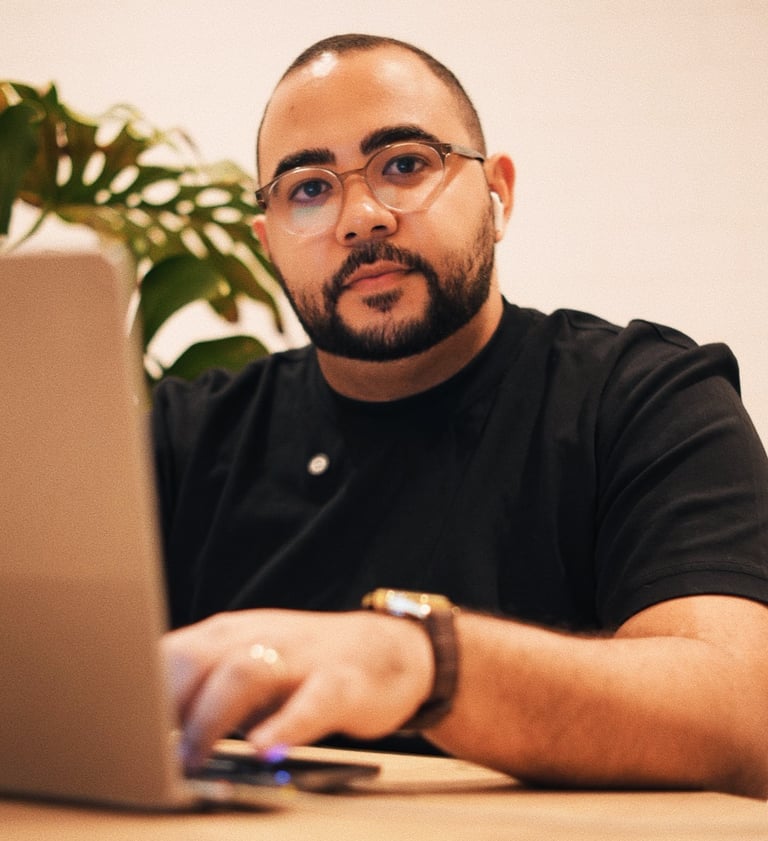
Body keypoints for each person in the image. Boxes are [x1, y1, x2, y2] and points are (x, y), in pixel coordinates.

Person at [154, 34, 768, 797]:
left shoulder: (646, 398)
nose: (360, 217)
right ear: (268, 242)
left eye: (404, 165)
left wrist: (420, 659)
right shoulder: (181, 439)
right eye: (308, 188)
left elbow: (742, 715)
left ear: (498, 193)